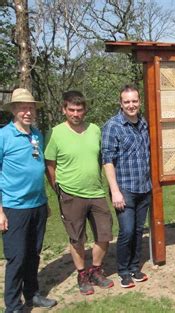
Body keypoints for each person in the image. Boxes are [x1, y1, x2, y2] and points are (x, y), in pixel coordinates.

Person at [44, 91, 114, 295]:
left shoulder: (94, 130)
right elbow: (50, 165)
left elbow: (103, 156)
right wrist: (58, 188)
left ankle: (96, 270)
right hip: (70, 194)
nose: (76, 113)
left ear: (85, 110)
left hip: (96, 192)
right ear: (64, 109)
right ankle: (82, 273)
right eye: (71, 110)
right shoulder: (55, 133)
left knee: (104, 233)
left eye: (79, 109)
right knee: (77, 238)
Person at [0, 88, 57, 312]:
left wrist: (45, 202)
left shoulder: (36, 135)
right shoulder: (3, 136)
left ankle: (32, 294)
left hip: (38, 205)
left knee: (33, 254)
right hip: (14, 207)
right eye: (23, 107)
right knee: (17, 257)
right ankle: (12, 305)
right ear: (14, 110)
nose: (27, 111)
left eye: (31, 107)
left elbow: (37, 168)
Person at [101, 85, 151, 288]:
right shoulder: (112, 126)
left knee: (139, 230)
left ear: (139, 101)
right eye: (127, 102)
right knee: (127, 231)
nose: (131, 105)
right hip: (124, 189)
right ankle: (123, 271)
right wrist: (115, 191)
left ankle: (134, 267)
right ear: (121, 103)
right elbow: (107, 159)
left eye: (134, 101)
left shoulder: (144, 123)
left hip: (144, 187)